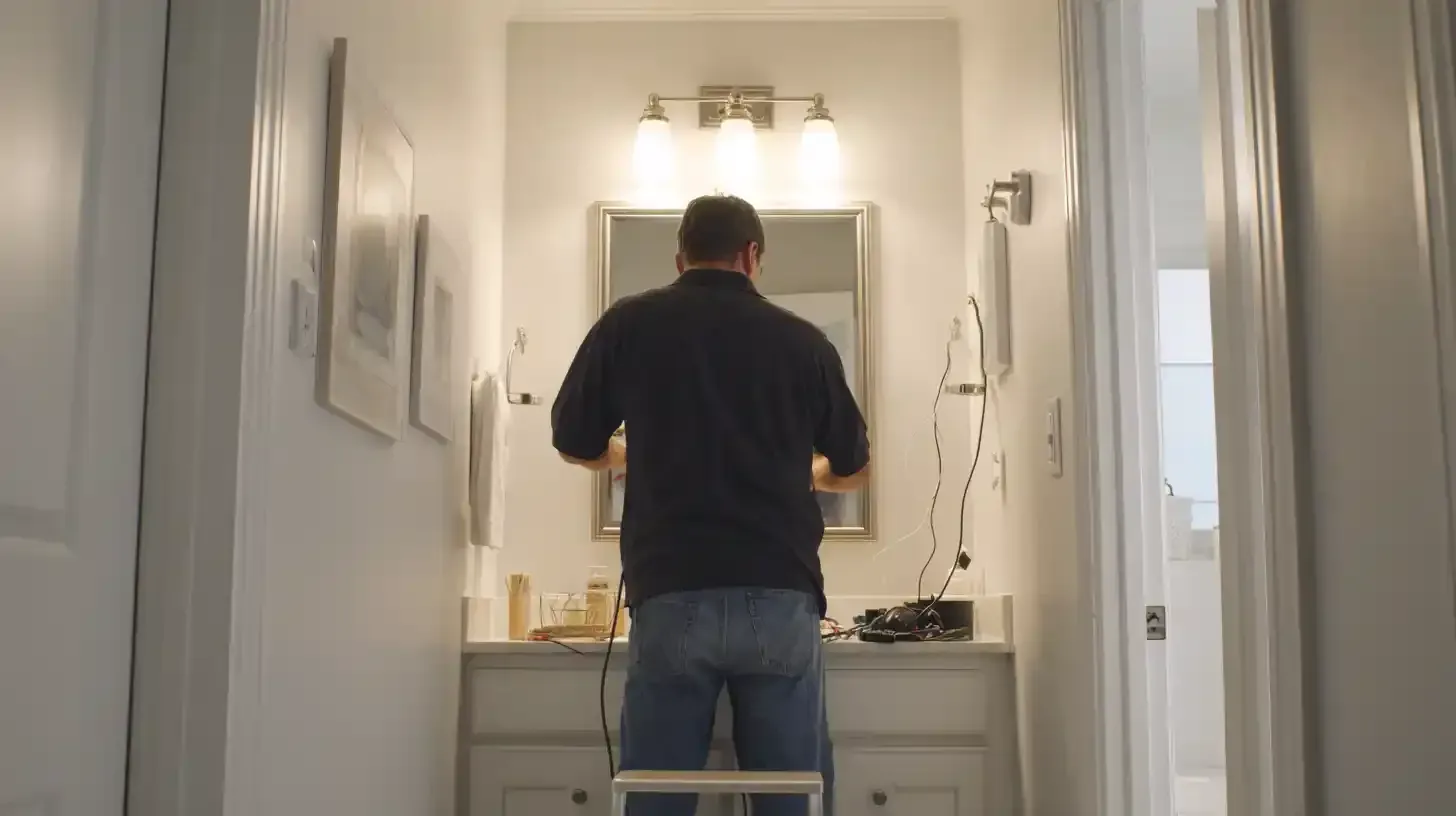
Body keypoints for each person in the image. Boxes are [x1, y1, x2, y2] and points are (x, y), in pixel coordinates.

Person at [551, 194, 870, 816]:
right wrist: (811, 476)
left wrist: (624, 457)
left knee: (656, 799)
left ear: (680, 258)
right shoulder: (803, 342)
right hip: (779, 592)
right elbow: (854, 465)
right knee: (790, 800)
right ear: (752, 255)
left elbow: (572, 441)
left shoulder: (629, 324)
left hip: (670, 591)